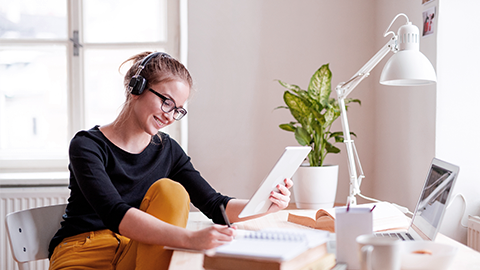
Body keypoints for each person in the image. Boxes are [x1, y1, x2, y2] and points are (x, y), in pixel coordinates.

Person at [48, 51, 293, 270]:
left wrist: (265, 204)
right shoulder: (87, 145)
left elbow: (215, 205)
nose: (170, 116)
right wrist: (189, 239)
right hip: (84, 250)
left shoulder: (168, 150)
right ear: (137, 88)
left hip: (136, 250)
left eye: (178, 110)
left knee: (171, 191)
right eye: (166, 102)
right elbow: (114, 213)